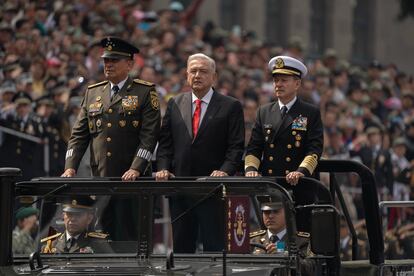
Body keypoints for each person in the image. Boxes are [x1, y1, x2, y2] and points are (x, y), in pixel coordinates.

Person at [156, 53, 245, 253]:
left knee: (215, 249)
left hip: (213, 190)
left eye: (203, 71)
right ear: (186, 75)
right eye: (193, 71)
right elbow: (165, 145)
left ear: (214, 76)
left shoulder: (231, 106)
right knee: (181, 250)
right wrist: (162, 168)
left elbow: (236, 147)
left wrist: (224, 171)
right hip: (180, 188)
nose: (197, 75)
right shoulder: (175, 103)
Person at [61, 37, 160, 180]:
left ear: (129, 64)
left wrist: (136, 167)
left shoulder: (144, 92)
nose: (108, 65)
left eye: (114, 61)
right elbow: (78, 135)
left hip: (133, 180)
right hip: (100, 177)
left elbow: (149, 136)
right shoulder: (93, 93)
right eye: (106, 60)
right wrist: (70, 167)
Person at [244, 56, 324, 231]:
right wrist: (251, 170)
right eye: (276, 80)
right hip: (272, 184)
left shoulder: (310, 112)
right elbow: (254, 148)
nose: (278, 84)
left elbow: (315, 148)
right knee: (271, 237)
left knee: (301, 235)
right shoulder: (264, 111)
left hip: (299, 187)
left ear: (297, 84)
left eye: (284, 80)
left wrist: (301, 171)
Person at [250, 196, 314, 275]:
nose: (270, 216)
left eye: (276, 211)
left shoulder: (303, 241)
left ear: (288, 213)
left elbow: (310, 269)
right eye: (266, 212)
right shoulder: (252, 240)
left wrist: (285, 256)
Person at [41, 196, 109, 254]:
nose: (73, 219)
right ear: (63, 216)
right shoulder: (51, 243)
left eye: (78, 215)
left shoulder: (98, 244)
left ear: (89, 218)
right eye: (69, 214)